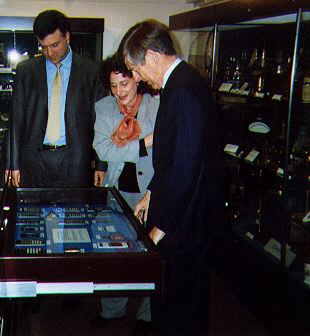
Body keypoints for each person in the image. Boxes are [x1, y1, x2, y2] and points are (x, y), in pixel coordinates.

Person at [119, 19, 219, 336]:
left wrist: (160, 229)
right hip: (182, 218)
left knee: (180, 312)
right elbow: (173, 159)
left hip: (184, 227)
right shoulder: (180, 85)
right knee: (174, 306)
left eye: (135, 69)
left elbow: (186, 170)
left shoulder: (183, 92)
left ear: (151, 56)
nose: (136, 78)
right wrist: (151, 192)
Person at [92, 53, 158, 335]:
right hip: (117, 188)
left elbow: (166, 144)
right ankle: (112, 310)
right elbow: (103, 150)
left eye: (124, 85)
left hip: (149, 190)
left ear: (137, 79)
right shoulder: (104, 107)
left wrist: (127, 148)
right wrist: (144, 144)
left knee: (148, 253)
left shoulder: (155, 106)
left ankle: (146, 314)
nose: (119, 93)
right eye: (113, 86)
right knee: (113, 252)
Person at [5, 9, 105, 187]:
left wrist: (101, 164)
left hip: (75, 162)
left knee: (74, 214)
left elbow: (99, 120)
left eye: (54, 45)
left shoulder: (91, 71)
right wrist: (12, 163)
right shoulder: (26, 71)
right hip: (34, 161)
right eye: (43, 47)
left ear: (67, 36)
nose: (49, 52)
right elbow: (16, 120)